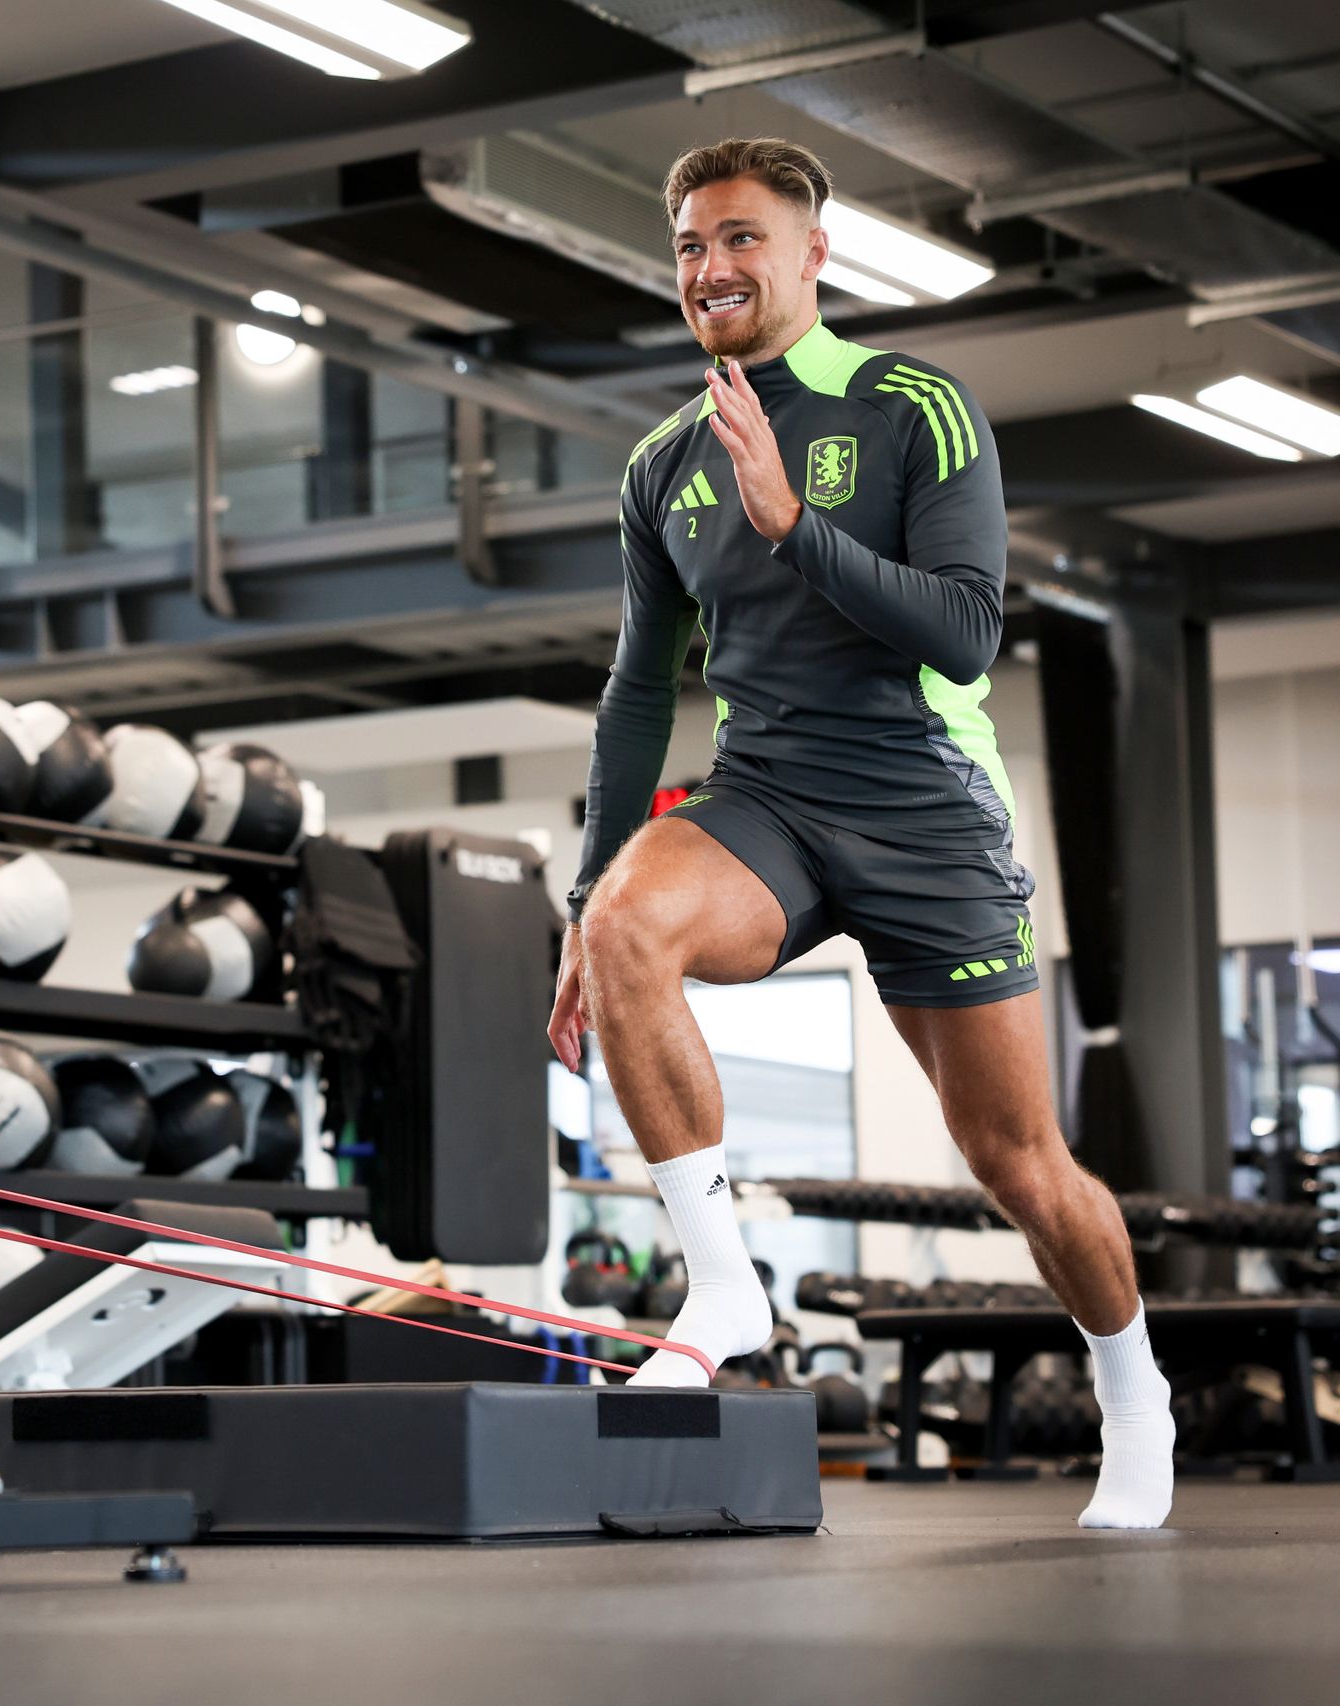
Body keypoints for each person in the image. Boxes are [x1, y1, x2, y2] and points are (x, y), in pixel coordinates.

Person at [546, 137, 1173, 1530]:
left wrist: (792, 523)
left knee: (1018, 1162)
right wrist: (591, 898)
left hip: (923, 805)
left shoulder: (915, 409)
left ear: (815, 254)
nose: (712, 267)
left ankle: (1134, 1386)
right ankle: (722, 1283)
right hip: (767, 794)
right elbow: (643, 687)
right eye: (692, 245)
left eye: (742, 240)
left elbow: (963, 627)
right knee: (627, 923)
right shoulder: (663, 463)